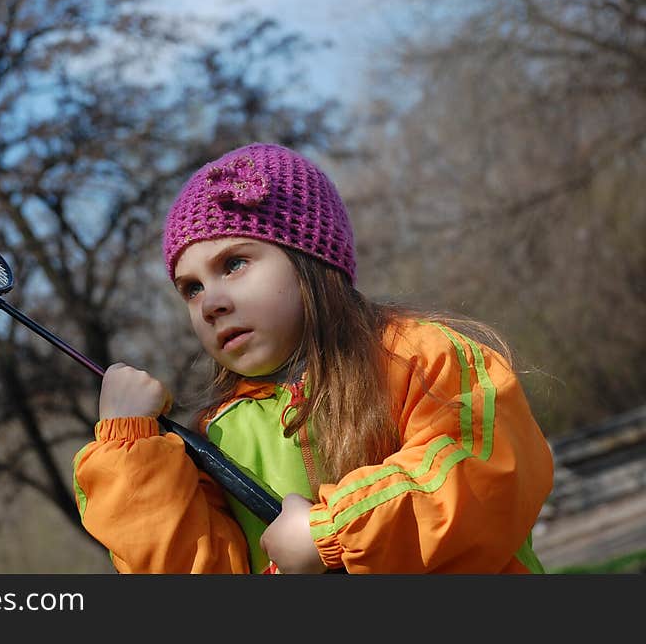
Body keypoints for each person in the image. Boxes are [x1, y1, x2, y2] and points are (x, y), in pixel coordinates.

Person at [72, 143, 554, 574]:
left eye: (234, 264)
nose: (210, 302)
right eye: (191, 288)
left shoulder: (420, 358)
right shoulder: (217, 435)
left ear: (312, 261)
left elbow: (480, 481)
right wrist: (128, 451)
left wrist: (332, 534)